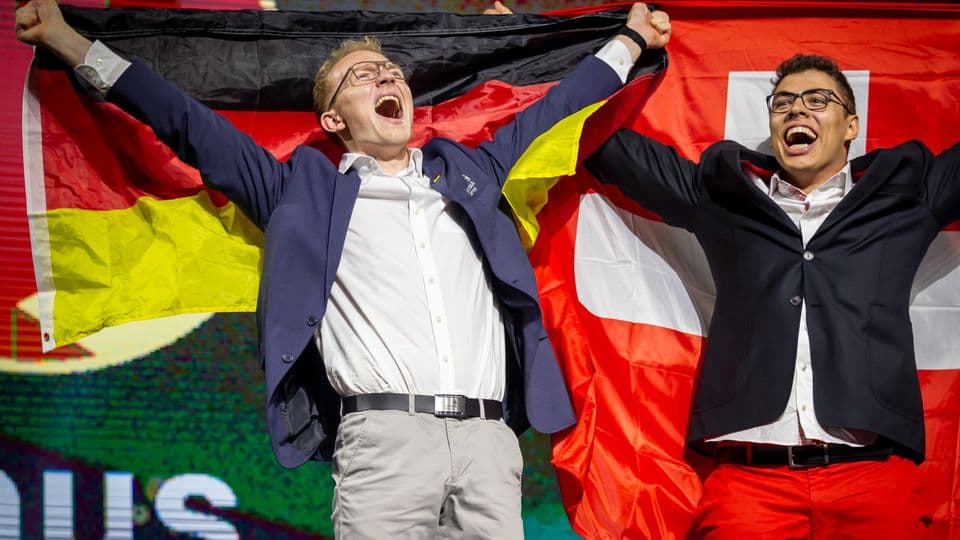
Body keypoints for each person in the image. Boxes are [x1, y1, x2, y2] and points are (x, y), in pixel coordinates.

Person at [16, 0, 671, 537]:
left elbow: (556, 109)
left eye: (390, 72)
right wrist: (70, 42)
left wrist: (630, 41)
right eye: (362, 76)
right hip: (383, 445)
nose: (385, 80)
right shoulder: (301, 194)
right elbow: (184, 122)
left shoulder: (472, 173)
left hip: (488, 443)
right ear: (332, 118)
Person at [586, 48, 959, 538]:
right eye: (781, 103)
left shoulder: (907, 193)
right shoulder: (723, 193)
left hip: (872, 477)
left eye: (816, 99)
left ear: (850, 126)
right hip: (748, 482)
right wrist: (543, 55)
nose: (796, 110)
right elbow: (603, 144)